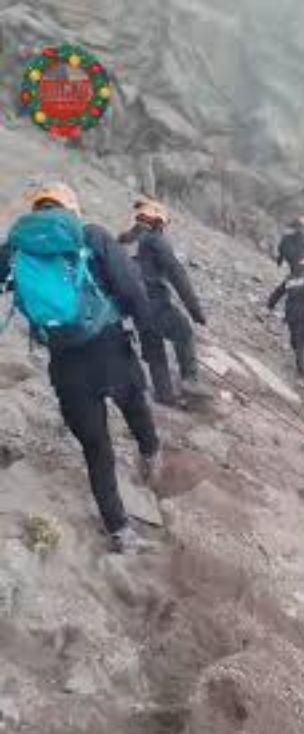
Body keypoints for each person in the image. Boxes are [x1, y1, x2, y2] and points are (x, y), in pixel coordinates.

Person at [0, 182, 162, 554]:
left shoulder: (18, 248)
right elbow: (133, 291)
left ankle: (120, 530)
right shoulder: (93, 235)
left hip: (66, 364)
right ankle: (151, 453)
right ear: (72, 210)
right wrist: (150, 342)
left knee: (96, 447)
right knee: (136, 407)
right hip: (110, 351)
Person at [119, 200, 208, 405]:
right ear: (161, 223)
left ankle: (164, 394)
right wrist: (195, 310)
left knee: (154, 348)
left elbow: (129, 237)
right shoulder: (156, 241)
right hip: (156, 304)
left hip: (138, 307)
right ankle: (190, 381)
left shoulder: (136, 244)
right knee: (184, 332)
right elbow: (178, 275)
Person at [267, 256, 304, 388]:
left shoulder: (290, 279)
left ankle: (302, 375)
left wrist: (270, 304)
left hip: (293, 317)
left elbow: (278, 292)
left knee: (298, 346)